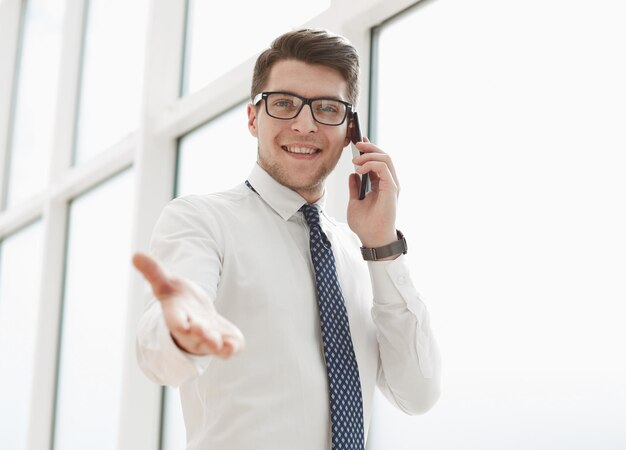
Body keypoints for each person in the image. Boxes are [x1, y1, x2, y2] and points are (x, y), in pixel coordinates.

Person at [134, 28, 441, 450]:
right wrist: (180, 332)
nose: (304, 124)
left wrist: (383, 245)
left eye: (327, 109)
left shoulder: (358, 252)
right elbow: (160, 357)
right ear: (252, 118)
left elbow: (418, 394)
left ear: (351, 131)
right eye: (283, 104)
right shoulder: (201, 220)